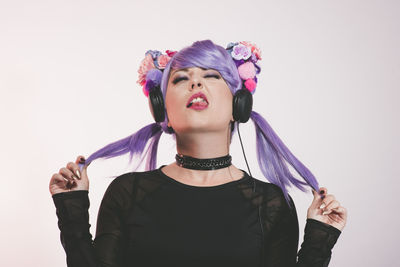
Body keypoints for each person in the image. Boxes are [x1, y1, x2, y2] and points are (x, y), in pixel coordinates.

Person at [49, 40, 348, 267]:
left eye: (211, 76)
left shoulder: (271, 204)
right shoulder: (128, 193)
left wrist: (318, 242)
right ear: (162, 109)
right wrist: (70, 207)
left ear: (239, 105)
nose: (195, 82)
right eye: (180, 79)